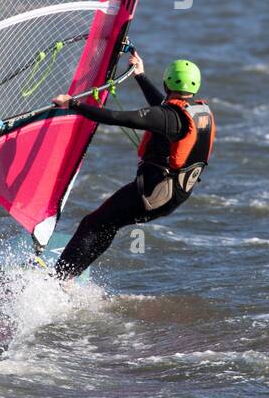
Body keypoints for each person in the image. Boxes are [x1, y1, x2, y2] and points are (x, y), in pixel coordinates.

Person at [49, 52, 215, 279]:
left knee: (93, 223)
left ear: (167, 82)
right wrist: (140, 76)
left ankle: (57, 278)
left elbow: (117, 117)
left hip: (154, 193)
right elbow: (164, 110)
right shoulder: (196, 113)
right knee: (107, 224)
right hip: (175, 194)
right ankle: (67, 278)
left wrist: (74, 104)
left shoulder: (168, 117)